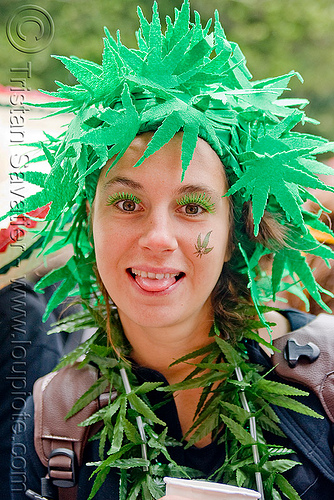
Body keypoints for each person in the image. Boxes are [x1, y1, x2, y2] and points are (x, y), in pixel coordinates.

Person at [3, 1, 334, 499]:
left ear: (231, 237)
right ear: (89, 224)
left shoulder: (326, 384)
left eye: (194, 207)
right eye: (127, 201)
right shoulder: (51, 419)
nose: (158, 237)